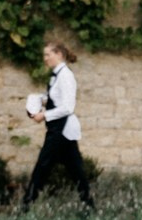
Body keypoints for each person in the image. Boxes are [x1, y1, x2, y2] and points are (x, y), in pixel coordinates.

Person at [21, 39, 93, 210]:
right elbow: (57, 100)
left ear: (59, 55)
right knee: (76, 171)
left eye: (48, 54)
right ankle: (89, 207)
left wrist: (43, 115)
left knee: (42, 166)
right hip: (59, 129)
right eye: (44, 55)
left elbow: (68, 107)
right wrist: (40, 101)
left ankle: (26, 206)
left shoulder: (66, 76)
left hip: (61, 129)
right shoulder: (57, 76)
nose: (45, 58)